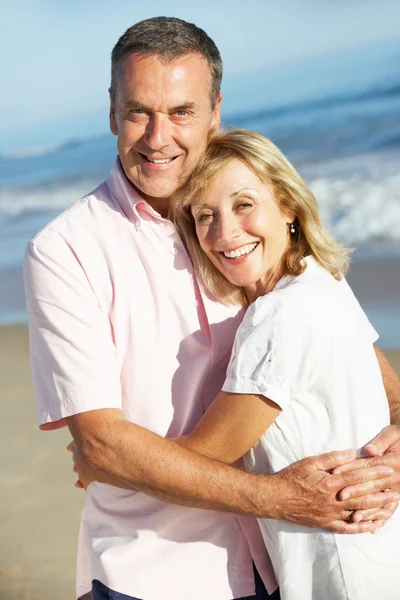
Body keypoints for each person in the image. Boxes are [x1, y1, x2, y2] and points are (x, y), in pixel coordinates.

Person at [23, 16, 400, 600]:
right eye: (138, 111)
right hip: (156, 574)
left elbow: (355, 355)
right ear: (111, 112)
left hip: (286, 560)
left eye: (181, 112)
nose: (157, 136)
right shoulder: (65, 251)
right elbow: (100, 444)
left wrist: (395, 440)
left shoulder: (256, 222)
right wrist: (281, 497)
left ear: (215, 110)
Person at [169, 129, 400, 599]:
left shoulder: (279, 316)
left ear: (288, 206)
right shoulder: (322, 279)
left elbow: (198, 463)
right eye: (205, 216)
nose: (225, 233)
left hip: (339, 571)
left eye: (244, 205)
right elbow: (392, 394)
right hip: (377, 550)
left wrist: (105, 464)